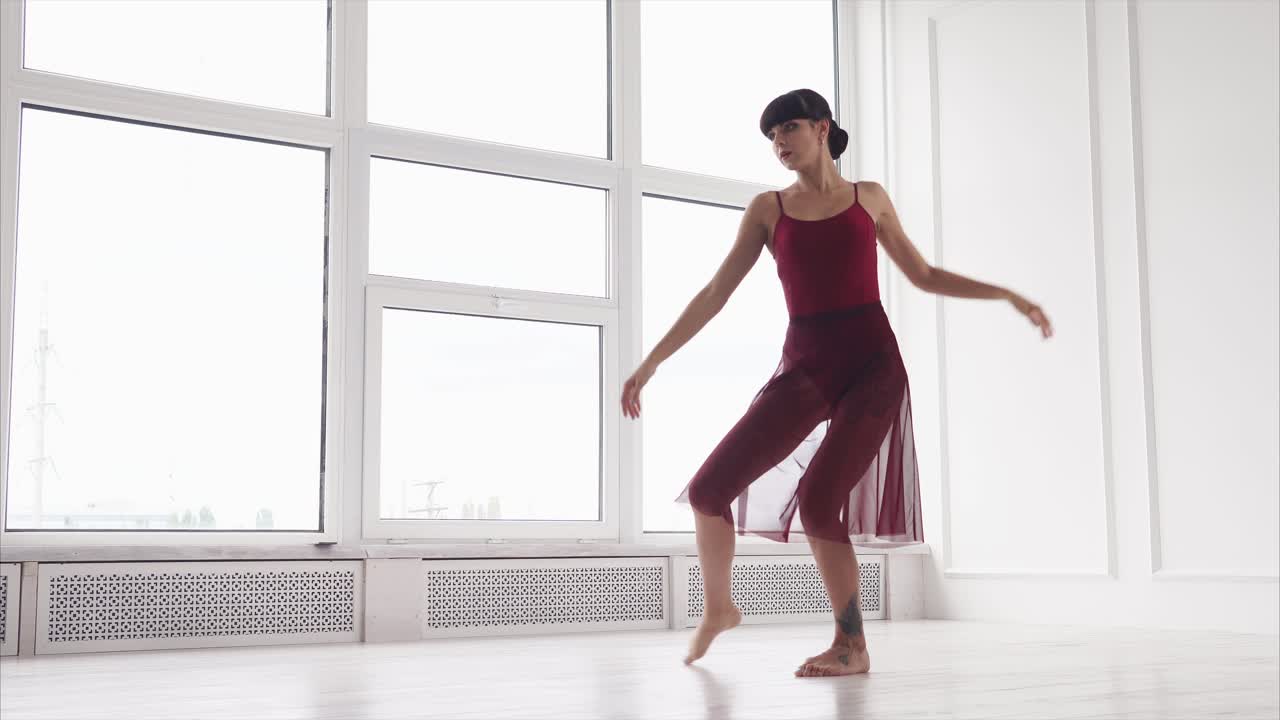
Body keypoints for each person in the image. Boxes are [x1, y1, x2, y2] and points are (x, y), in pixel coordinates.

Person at [621, 89, 1053, 678]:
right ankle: (719, 607)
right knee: (707, 490)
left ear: (823, 129)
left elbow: (922, 274)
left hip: (873, 366)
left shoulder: (867, 198)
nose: (780, 142)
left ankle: (851, 645)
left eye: (790, 127)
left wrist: (1004, 294)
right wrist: (652, 362)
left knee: (822, 502)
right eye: (772, 134)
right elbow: (715, 294)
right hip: (805, 366)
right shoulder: (767, 210)